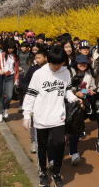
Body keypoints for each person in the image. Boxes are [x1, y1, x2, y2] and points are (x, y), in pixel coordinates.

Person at [22, 46, 80, 187]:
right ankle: (42, 173)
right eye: (54, 64)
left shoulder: (65, 72)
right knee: (42, 147)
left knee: (60, 143)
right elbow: (30, 95)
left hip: (58, 115)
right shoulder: (39, 74)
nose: (56, 67)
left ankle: (56, 171)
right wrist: (26, 115)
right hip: (41, 116)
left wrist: (73, 98)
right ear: (48, 60)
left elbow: (67, 91)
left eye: (59, 64)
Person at [68, 54, 96, 165]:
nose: (82, 65)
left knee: (77, 125)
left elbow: (91, 86)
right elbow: (67, 88)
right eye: (80, 63)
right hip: (72, 102)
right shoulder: (71, 73)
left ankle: (72, 146)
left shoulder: (89, 74)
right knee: (74, 125)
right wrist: (75, 93)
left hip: (84, 102)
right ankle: (74, 151)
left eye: (84, 63)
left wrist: (90, 91)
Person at [20, 49, 48, 154]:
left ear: (46, 58)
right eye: (36, 58)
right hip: (34, 99)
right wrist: (30, 90)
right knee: (33, 120)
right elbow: (24, 81)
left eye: (39, 58)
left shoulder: (50, 69)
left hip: (45, 99)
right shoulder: (32, 69)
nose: (37, 60)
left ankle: (44, 142)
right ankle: (33, 141)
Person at [0, 39, 20, 122]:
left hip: (10, 77)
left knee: (9, 96)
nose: (11, 50)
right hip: (1, 77)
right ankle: (0, 113)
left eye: (12, 48)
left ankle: (4, 108)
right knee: (1, 96)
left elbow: (17, 69)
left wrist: (16, 80)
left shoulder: (15, 57)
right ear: (6, 47)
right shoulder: (0, 55)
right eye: (9, 48)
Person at [17, 42, 31, 113]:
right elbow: (17, 62)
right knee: (22, 89)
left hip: (28, 74)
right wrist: (18, 67)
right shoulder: (19, 54)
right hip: (21, 73)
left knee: (27, 90)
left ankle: (27, 105)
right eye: (21, 47)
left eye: (23, 47)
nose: (22, 48)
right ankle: (21, 105)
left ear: (28, 47)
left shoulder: (30, 54)